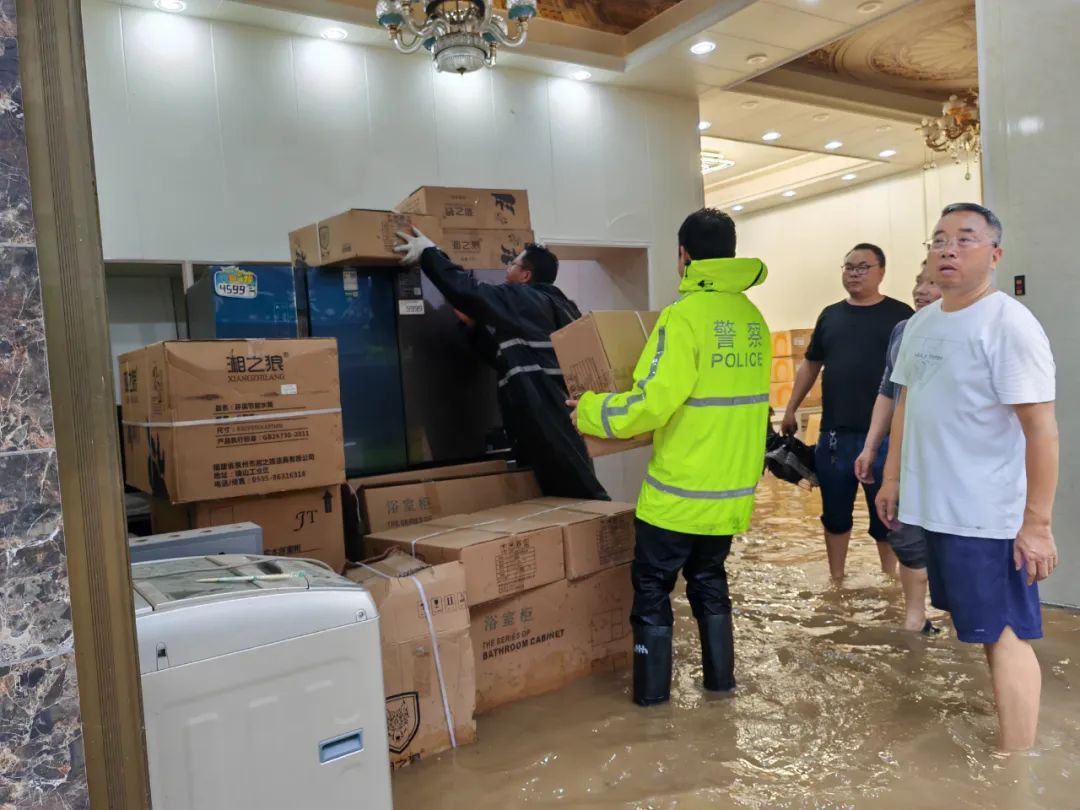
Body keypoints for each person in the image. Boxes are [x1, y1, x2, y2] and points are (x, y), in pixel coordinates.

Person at [568, 208, 771, 706]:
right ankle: (721, 689)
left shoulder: (682, 318)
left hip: (677, 496)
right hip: (728, 497)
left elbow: (652, 404)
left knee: (653, 593)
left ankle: (652, 707)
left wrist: (590, 410)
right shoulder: (753, 320)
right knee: (710, 585)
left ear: (683, 255)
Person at [876, 203, 1058, 752]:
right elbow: (907, 402)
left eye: (965, 238)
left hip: (987, 515)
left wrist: (1037, 525)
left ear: (995, 255)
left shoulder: (1009, 324)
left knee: (1006, 633)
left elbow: (1041, 430)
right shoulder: (921, 324)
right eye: (939, 239)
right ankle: (1009, 739)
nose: (948, 249)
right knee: (981, 628)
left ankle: (1016, 763)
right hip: (938, 510)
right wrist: (892, 477)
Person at [395, 231, 608, 501]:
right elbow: (509, 356)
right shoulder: (560, 305)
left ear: (525, 275)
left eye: (512, 265)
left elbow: (468, 291)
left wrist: (430, 253)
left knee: (576, 495)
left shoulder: (522, 298)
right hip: (560, 419)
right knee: (573, 493)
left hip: (545, 417)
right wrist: (474, 327)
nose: (508, 270)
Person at [782, 244, 913, 580]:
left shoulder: (901, 316)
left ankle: (889, 581)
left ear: (881, 271)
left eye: (862, 267)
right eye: (849, 267)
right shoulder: (830, 315)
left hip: (886, 438)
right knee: (835, 514)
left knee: (887, 513)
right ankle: (836, 580)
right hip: (835, 436)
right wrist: (791, 408)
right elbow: (811, 365)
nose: (854, 273)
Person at [853, 262, 942, 633]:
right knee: (906, 533)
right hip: (906, 453)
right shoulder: (904, 330)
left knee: (953, 540)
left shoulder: (969, 329)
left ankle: (960, 620)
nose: (921, 290)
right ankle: (914, 619)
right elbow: (889, 392)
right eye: (919, 281)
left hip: (951, 458)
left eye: (932, 283)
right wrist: (870, 446)